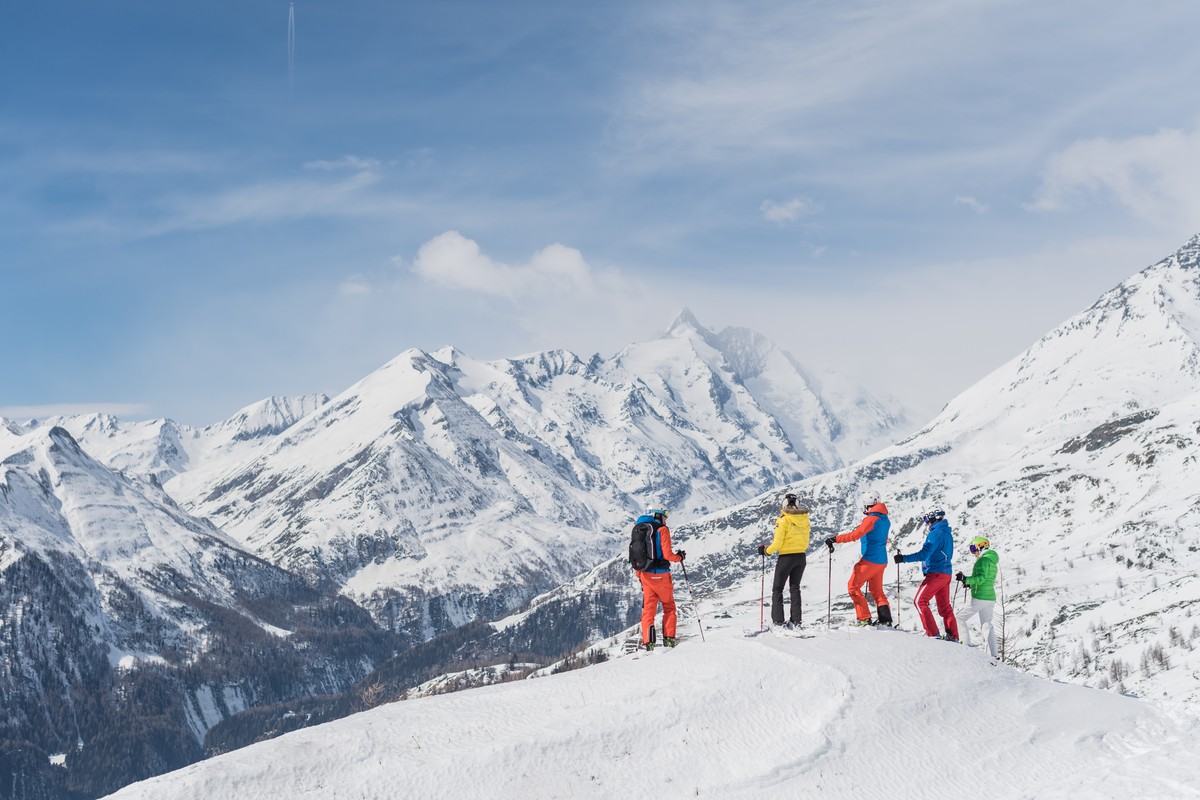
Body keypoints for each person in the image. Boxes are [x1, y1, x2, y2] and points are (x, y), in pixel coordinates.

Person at [824, 490, 892, 626]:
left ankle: (864, 618)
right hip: (881, 560)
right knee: (877, 591)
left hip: (870, 559)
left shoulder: (871, 519)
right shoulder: (885, 519)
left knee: (853, 587)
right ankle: (886, 620)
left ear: (868, 504)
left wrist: (836, 539)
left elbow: (855, 535)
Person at [894, 510, 960, 641]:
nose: (927, 524)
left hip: (936, 573)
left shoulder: (935, 533)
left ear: (934, 520)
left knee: (919, 601)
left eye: (927, 521)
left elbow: (924, 554)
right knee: (945, 607)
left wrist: (903, 558)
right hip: (946, 573)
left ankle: (933, 634)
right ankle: (953, 636)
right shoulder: (946, 532)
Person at [757, 493, 810, 628]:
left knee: (777, 589)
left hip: (786, 558)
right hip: (801, 557)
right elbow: (806, 541)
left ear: (784, 504)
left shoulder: (783, 520)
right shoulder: (805, 520)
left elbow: (778, 543)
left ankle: (778, 621)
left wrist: (766, 551)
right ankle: (796, 621)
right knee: (795, 588)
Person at [636, 506, 685, 650]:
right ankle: (669, 640)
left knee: (648, 611)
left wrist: (640, 575)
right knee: (669, 607)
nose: (666, 518)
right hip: (661, 576)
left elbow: (636, 556)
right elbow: (668, 555)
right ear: (657, 515)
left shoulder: (639, 529)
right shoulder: (662, 530)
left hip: (645, 576)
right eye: (665, 515)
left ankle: (648, 644)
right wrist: (679, 557)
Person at [955, 537, 1000, 658]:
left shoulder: (982, 561)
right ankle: (993, 655)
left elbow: (981, 578)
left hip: (980, 597)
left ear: (981, 547)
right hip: (990, 597)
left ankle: (965, 645)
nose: (973, 552)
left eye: (973, 548)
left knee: (959, 618)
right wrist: (969, 583)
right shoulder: (992, 560)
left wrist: (966, 579)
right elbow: (985, 579)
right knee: (987, 624)